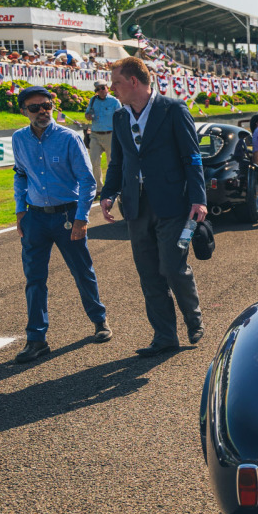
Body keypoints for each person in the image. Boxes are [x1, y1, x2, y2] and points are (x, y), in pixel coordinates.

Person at [98, 56, 207, 357]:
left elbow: (192, 156)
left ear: (134, 81)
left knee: (172, 267)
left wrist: (199, 198)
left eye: (116, 82)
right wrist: (108, 193)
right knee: (149, 274)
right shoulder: (120, 117)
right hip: (136, 206)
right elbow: (117, 162)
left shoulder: (173, 109)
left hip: (173, 203)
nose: (112, 88)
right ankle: (164, 336)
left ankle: (193, 317)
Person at [11, 86, 109, 363]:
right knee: (34, 280)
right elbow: (20, 175)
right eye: (35, 107)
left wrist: (81, 218)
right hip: (35, 218)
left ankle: (99, 321)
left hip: (67, 216)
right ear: (24, 111)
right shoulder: (19, 138)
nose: (42, 111)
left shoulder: (69, 138)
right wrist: (20, 211)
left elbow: (88, 181)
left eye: (46, 106)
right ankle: (36, 339)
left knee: (82, 271)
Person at [84, 80, 120, 179]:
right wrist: (88, 116)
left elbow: (121, 117)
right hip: (95, 134)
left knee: (111, 163)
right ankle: (98, 188)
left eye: (103, 88)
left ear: (107, 88)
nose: (100, 90)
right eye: (98, 89)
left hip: (110, 134)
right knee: (94, 161)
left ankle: (112, 187)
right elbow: (87, 113)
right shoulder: (93, 100)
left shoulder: (114, 101)